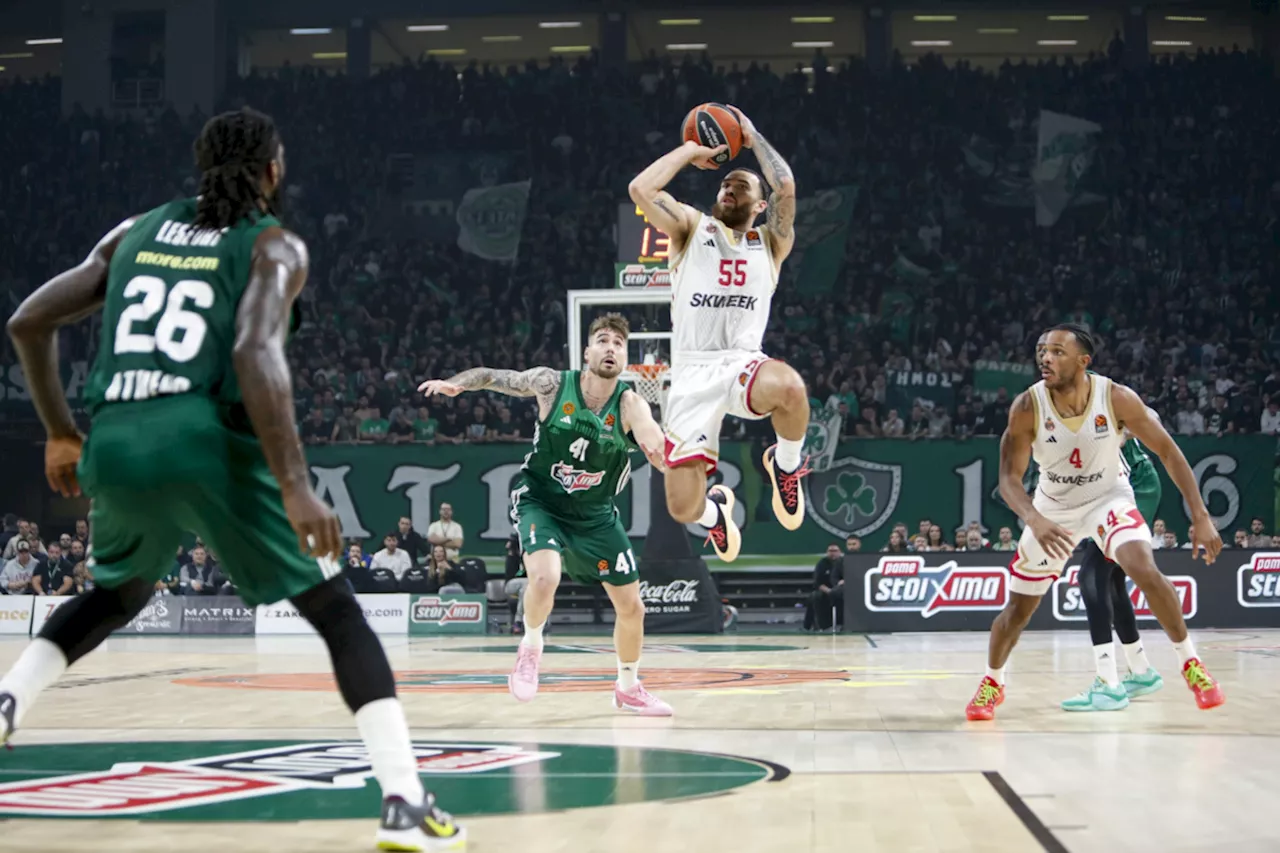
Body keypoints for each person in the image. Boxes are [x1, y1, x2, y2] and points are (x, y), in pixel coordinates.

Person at [0, 108, 463, 851]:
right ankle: (407, 804)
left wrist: (59, 431)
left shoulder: (132, 232)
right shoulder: (274, 244)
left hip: (115, 435)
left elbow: (28, 321)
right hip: (203, 436)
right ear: (273, 171)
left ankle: (7, 700)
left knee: (117, 593)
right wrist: (296, 484)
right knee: (337, 611)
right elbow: (254, 352)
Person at [419, 313, 673, 715]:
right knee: (545, 576)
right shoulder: (552, 384)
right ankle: (531, 647)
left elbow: (653, 440)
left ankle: (628, 687)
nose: (611, 348)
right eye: (603, 340)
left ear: (627, 358)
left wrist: (669, 458)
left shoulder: (630, 403)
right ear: (586, 351)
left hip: (595, 515)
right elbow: (493, 376)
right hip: (542, 501)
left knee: (633, 607)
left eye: (619, 344)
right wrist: (458, 385)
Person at [966, 324, 1224, 721]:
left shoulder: (1116, 398)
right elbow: (1008, 480)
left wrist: (1201, 517)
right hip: (1053, 508)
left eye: (1055, 352)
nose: (1045, 358)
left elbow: (1169, 453)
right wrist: (1034, 519)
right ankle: (992, 682)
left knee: (1141, 566)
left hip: (1108, 497)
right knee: (1018, 610)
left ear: (1083, 361)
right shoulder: (1027, 406)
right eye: (1041, 351)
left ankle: (1191, 665)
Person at [628, 105, 810, 564]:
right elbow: (641, 189)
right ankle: (715, 514)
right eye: (725, 183)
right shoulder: (691, 227)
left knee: (790, 387)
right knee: (681, 507)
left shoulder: (771, 242)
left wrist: (750, 134)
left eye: (740, 185)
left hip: (740, 362)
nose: (728, 189)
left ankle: (784, 467)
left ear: (760, 204)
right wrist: (691, 150)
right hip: (690, 373)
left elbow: (786, 184)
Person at [1059, 407, 1166, 712]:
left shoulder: (1097, 397)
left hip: (1135, 488)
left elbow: (1152, 418)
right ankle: (1141, 670)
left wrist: (1124, 428)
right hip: (1110, 493)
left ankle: (1108, 685)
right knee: (1112, 581)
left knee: (1091, 575)